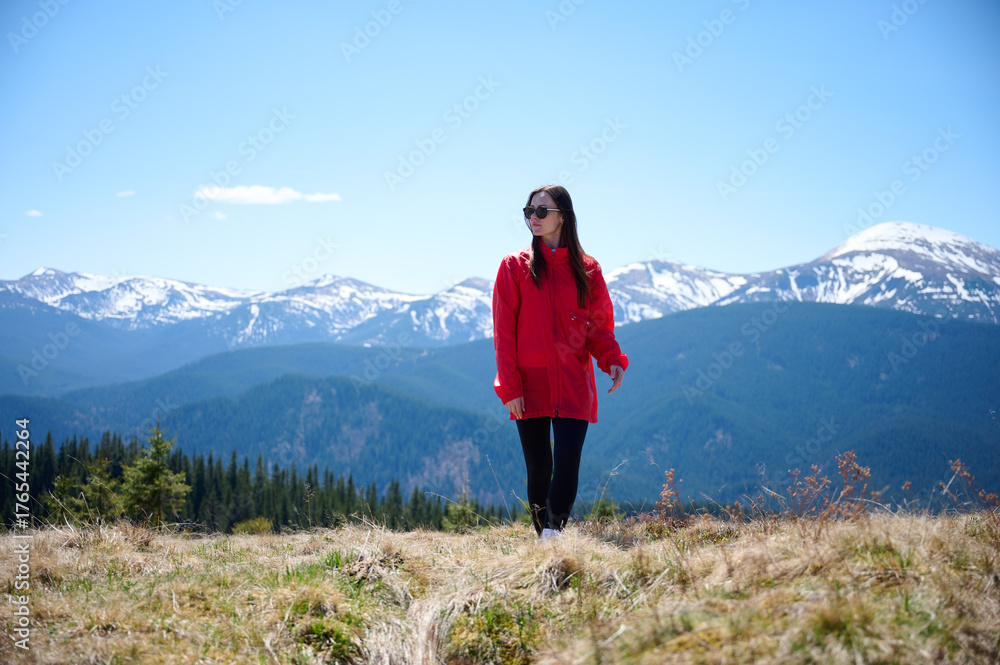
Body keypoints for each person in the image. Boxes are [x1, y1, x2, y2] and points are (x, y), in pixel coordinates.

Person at [492, 184, 627, 541]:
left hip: (573, 382)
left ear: (562, 216)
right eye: (528, 211)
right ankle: (543, 539)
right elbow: (503, 335)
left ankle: (553, 537)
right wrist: (510, 387)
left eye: (541, 211)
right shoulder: (513, 267)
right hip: (529, 384)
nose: (532, 218)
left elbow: (598, 326)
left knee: (568, 460)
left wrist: (612, 359)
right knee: (539, 468)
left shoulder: (588, 269)